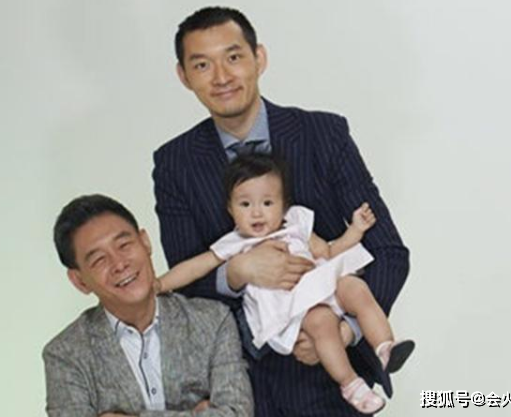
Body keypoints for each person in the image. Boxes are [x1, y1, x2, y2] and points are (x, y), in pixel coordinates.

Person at [153, 6, 410, 416]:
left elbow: (389, 253)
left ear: (259, 57)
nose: (221, 76)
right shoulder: (175, 163)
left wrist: (343, 331)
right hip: (241, 386)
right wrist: (236, 273)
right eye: (202, 65)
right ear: (184, 76)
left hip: (333, 384)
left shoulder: (324, 134)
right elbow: (186, 287)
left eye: (233, 57)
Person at [155, 155, 414, 414]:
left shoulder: (296, 223)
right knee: (323, 321)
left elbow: (327, 252)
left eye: (267, 203)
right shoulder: (236, 242)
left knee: (355, 288)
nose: (257, 212)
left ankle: (384, 347)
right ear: (231, 209)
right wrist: (160, 284)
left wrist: (355, 230)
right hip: (291, 307)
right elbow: (194, 267)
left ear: (283, 205)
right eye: (245, 204)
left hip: (321, 285)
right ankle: (351, 385)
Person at [43, 194, 253, 417]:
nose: (119, 264)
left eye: (124, 245)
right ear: (80, 281)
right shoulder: (65, 355)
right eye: (99, 260)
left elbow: (237, 413)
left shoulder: (213, 321)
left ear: (145, 242)